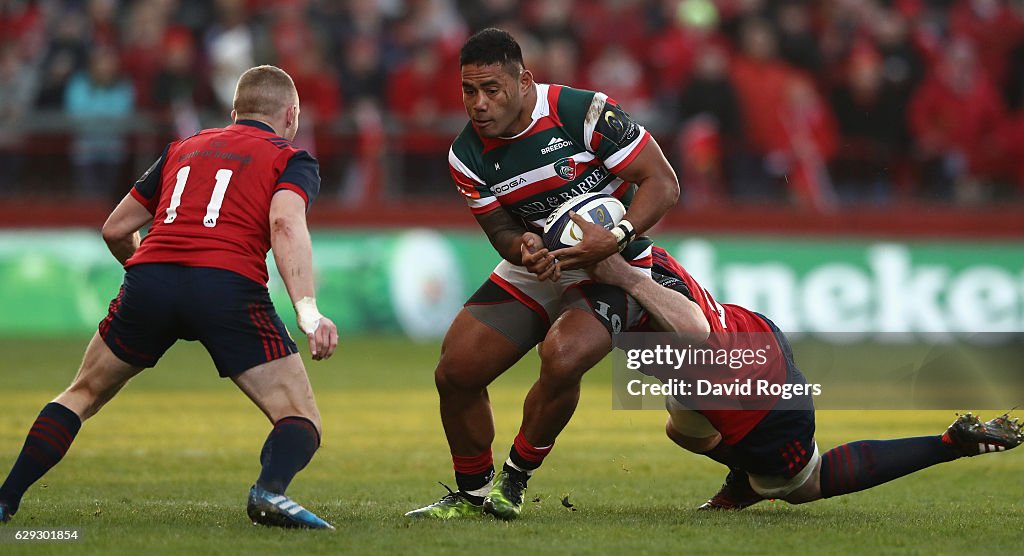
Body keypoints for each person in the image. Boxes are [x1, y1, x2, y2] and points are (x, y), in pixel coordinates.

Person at [0, 65, 339, 529]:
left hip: (151, 276)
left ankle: (5, 499)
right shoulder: (290, 157)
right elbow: (284, 223)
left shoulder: (184, 147)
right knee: (300, 416)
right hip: (227, 285)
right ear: (292, 115)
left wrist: (153, 280)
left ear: (234, 112)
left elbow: (116, 229)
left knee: (82, 393)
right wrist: (307, 310)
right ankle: (269, 493)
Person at [405, 28, 679, 521]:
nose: (479, 103)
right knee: (455, 370)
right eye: (469, 90)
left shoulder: (581, 112)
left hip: (615, 262)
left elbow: (663, 182)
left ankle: (514, 480)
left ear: (524, 81)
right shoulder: (465, 156)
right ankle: (471, 494)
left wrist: (615, 236)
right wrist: (523, 246)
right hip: (542, 263)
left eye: (492, 89)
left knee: (563, 356)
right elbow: (500, 228)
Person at [578, 216, 1023, 509]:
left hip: (756, 395)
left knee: (803, 484)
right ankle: (749, 477)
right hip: (753, 333)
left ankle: (949, 443)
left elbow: (692, 331)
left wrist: (622, 276)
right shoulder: (634, 243)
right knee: (684, 432)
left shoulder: (621, 278)